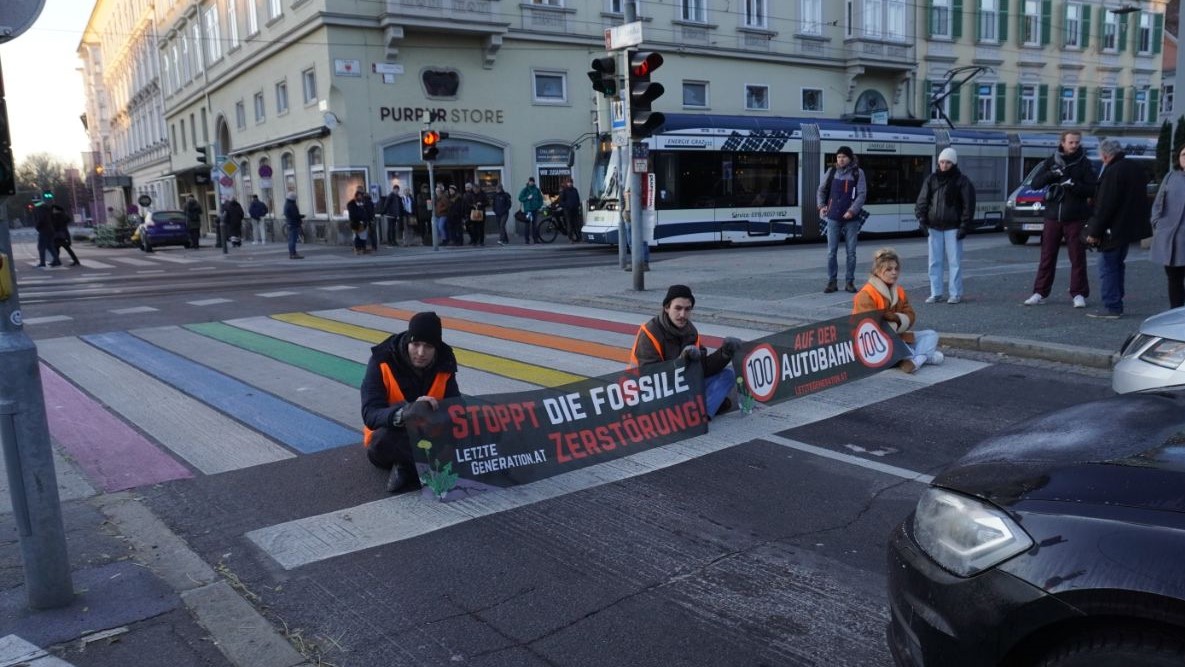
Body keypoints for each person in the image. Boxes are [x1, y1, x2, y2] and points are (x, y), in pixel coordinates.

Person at [360, 311, 461, 493]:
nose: (421, 353)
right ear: (408, 341)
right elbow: (370, 413)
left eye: (428, 346)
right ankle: (419, 467)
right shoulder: (381, 361)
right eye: (416, 344)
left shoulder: (445, 362)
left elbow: (456, 407)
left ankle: (408, 469)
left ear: (436, 347)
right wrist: (406, 412)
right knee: (382, 442)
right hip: (393, 434)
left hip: (430, 433)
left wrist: (435, 415)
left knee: (471, 431)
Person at [628, 285, 741, 417]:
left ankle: (701, 414)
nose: (682, 314)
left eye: (687, 309)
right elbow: (651, 378)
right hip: (646, 392)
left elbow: (703, 369)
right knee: (672, 395)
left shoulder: (691, 332)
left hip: (681, 385)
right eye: (678, 308)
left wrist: (724, 353)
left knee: (728, 374)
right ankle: (700, 405)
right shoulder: (649, 333)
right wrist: (680, 362)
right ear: (666, 308)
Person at [1023, 130, 1097, 308]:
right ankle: (1040, 292)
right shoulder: (1052, 160)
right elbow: (1035, 183)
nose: (1074, 145)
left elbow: (1092, 189)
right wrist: (1052, 175)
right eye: (1071, 142)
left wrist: (1073, 185)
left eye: (1077, 142)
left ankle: (1078, 293)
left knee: (1077, 257)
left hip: (1075, 216)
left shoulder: (1084, 163)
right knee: (1047, 256)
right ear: (1063, 142)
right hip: (1052, 215)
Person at [1084, 139, 1152, 319]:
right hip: (1128, 227)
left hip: (1113, 228)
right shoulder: (1135, 167)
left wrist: (1094, 232)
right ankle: (1116, 301)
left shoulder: (1113, 172)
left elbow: (1106, 205)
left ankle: (1112, 306)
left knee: (1108, 267)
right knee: (1117, 265)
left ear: (1105, 156)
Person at [852, 247, 943, 374]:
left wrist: (896, 319)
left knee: (931, 334)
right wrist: (897, 320)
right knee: (923, 352)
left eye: (896, 269)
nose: (894, 272)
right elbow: (870, 326)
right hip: (875, 343)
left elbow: (911, 316)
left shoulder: (899, 290)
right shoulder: (866, 294)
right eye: (888, 269)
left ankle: (916, 360)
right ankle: (925, 356)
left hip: (897, 336)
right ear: (877, 271)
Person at [915, 147, 976, 304]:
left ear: (953, 163)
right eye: (942, 162)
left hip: (953, 227)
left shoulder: (962, 181)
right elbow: (922, 200)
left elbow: (968, 205)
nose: (944, 165)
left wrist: (964, 226)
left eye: (948, 162)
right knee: (934, 262)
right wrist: (921, 219)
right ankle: (936, 293)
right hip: (934, 226)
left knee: (954, 262)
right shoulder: (931, 179)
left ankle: (955, 293)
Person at [816, 146, 867, 294]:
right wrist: (821, 206)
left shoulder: (858, 173)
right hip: (833, 217)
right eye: (838, 157)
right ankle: (832, 282)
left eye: (844, 156)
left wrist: (852, 211)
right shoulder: (831, 172)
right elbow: (821, 190)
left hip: (851, 219)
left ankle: (849, 282)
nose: (841, 159)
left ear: (850, 158)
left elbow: (862, 195)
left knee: (851, 253)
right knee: (831, 252)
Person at [1150, 145, 1185, 310]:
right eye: (1184, 154)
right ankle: (1176, 313)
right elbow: (1158, 202)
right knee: (1174, 278)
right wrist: (1157, 222)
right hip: (1170, 237)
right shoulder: (1171, 176)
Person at [347, 188, 375, 255]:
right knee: (357, 236)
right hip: (356, 223)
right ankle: (357, 248)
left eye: (361, 196)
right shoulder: (351, 204)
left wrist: (368, 219)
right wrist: (359, 219)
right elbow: (352, 214)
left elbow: (367, 212)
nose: (361, 197)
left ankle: (363, 248)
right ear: (356, 196)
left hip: (363, 222)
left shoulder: (363, 203)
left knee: (363, 236)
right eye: (359, 196)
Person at [33, 202, 61, 267]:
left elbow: (41, 219)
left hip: (44, 230)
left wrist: (37, 226)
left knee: (41, 247)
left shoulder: (39, 209)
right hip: (51, 230)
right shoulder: (48, 209)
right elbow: (53, 219)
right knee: (50, 246)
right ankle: (57, 260)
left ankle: (42, 263)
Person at [518, 176, 544, 244]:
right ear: (528, 182)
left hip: (535, 210)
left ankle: (535, 239)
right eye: (530, 181)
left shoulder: (537, 190)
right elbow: (520, 198)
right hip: (528, 210)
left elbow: (541, 199)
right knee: (527, 225)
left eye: (532, 181)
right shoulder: (525, 189)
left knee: (534, 225)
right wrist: (527, 198)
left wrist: (539, 206)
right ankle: (527, 240)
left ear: (534, 182)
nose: (531, 182)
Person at [559, 178, 583, 242]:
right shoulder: (564, 190)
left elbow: (577, 199)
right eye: (569, 182)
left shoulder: (575, 190)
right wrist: (567, 205)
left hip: (575, 210)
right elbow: (561, 202)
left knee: (577, 224)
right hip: (567, 210)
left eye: (571, 182)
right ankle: (571, 238)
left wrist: (577, 205)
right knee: (569, 225)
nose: (570, 184)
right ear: (567, 183)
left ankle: (579, 237)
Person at [283, 191, 305, 259]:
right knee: (293, 239)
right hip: (293, 223)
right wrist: (301, 216)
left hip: (290, 223)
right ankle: (293, 254)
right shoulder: (291, 205)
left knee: (291, 239)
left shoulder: (286, 204)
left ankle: (292, 253)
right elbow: (295, 215)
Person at [382, 182, 404, 247]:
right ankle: (390, 241)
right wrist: (384, 212)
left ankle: (393, 241)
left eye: (398, 190)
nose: (397, 191)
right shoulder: (390, 196)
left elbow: (399, 206)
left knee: (393, 228)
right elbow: (386, 205)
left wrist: (398, 214)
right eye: (396, 190)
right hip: (390, 215)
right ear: (394, 189)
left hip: (394, 215)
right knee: (390, 228)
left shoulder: (397, 197)